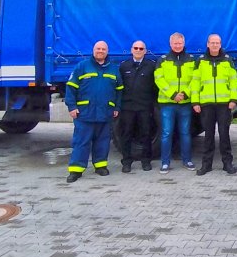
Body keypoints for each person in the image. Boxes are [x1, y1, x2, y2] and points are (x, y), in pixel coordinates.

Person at [64, 40, 123, 183]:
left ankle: (100, 166)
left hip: (105, 112)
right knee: (81, 141)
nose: (100, 51)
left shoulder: (113, 69)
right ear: (93, 50)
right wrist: (72, 107)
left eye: (103, 49)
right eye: (98, 49)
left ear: (107, 52)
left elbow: (119, 91)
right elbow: (71, 88)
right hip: (85, 113)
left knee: (102, 141)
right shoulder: (82, 67)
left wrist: (116, 108)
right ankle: (76, 170)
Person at [192, 34, 237, 175]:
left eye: (217, 43)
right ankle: (206, 165)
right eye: (212, 43)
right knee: (208, 135)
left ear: (220, 44)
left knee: (224, 135)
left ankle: (227, 163)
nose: (214, 45)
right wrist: (195, 101)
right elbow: (195, 82)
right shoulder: (200, 61)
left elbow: (234, 81)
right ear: (207, 44)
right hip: (206, 104)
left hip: (224, 104)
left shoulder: (227, 60)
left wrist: (233, 99)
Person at [154, 32, 197, 174]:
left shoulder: (191, 60)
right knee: (166, 133)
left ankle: (187, 160)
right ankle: (165, 162)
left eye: (180, 43)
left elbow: (195, 80)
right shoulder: (163, 60)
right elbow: (159, 79)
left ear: (184, 43)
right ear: (170, 44)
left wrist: (184, 94)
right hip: (168, 103)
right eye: (175, 43)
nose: (177, 46)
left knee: (185, 133)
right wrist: (173, 94)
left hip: (185, 102)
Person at [118, 40, 158, 173]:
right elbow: (119, 87)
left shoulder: (151, 66)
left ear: (145, 51)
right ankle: (127, 162)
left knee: (145, 134)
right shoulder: (124, 66)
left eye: (141, 49)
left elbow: (155, 87)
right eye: (136, 48)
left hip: (144, 106)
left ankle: (146, 161)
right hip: (128, 107)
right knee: (126, 134)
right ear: (131, 50)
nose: (138, 50)